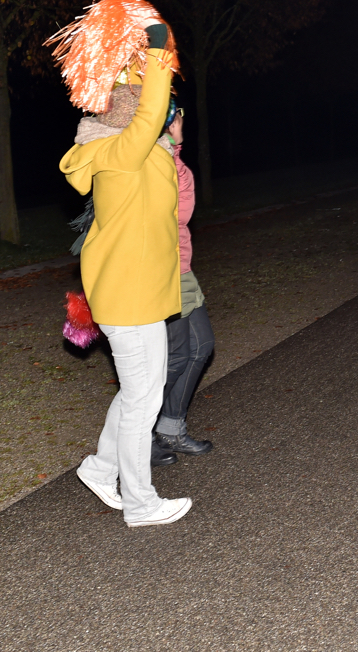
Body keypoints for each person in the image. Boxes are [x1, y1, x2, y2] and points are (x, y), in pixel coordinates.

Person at [55, 0, 193, 528]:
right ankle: (140, 502)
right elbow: (152, 111)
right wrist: (157, 51)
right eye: (136, 103)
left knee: (145, 391)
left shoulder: (142, 155)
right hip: (127, 295)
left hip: (141, 293)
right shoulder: (118, 152)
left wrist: (133, 56)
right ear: (125, 115)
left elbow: (154, 125)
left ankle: (100, 467)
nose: (151, 113)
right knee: (142, 400)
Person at [153, 102, 217, 459]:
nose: (182, 122)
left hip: (182, 267)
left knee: (201, 345)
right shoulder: (159, 164)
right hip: (163, 271)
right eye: (178, 116)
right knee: (176, 356)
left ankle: (170, 428)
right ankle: (138, 438)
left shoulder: (171, 162)